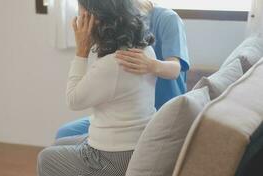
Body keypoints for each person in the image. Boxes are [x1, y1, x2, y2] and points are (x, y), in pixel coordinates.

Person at [37, 0, 157, 176]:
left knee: (45, 159)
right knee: (58, 145)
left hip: (115, 158)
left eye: (82, 16)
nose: (79, 22)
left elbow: (73, 100)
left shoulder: (112, 64)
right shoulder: (145, 50)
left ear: (98, 19)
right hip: (136, 147)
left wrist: (81, 51)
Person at [55, 0, 190, 141]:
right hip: (126, 114)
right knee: (64, 133)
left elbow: (175, 69)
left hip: (159, 114)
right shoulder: (118, 18)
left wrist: (150, 65)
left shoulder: (167, 18)